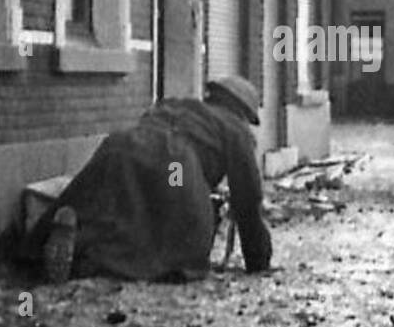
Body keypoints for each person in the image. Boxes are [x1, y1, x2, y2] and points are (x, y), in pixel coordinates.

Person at [24, 76, 273, 284]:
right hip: (176, 163)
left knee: (106, 212)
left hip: (122, 146)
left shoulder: (179, 105)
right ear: (242, 111)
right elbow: (248, 200)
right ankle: (102, 263)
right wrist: (258, 261)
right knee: (184, 241)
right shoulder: (235, 129)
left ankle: (50, 250)